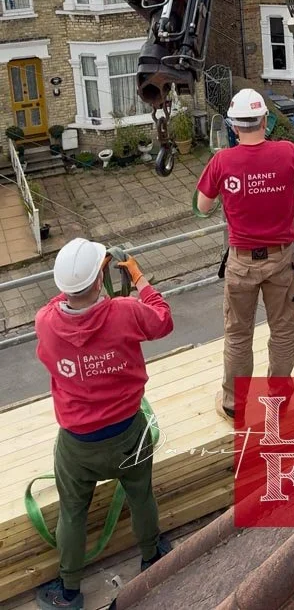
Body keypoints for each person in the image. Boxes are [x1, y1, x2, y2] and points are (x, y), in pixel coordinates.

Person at [34, 238, 174, 609]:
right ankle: (151, 557)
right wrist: (138, 277)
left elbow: (57, 306)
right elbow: (163, 320)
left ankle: (69, 592)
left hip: (78, 445)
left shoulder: (46, 323)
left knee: (72, 510)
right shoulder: (126, 311)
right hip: (129, 431)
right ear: (100, 280)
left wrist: (79, 286)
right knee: (140, 493)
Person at [196, 88, 294, 421]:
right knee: (283, 331)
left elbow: (202, 207)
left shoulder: (222, 161)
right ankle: (277, 399)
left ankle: (234, 404)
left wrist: (234, 188)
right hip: (281, 261)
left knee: (238, 334)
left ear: (234, 127)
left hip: (241, 262)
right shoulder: (288, 152)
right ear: (265, 121)